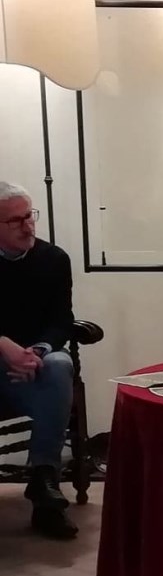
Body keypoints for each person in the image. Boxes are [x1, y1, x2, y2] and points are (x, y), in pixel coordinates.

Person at [0, 182, 78, 539]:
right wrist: (5, 346)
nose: (28, 226)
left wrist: (39, 351)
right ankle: (45, 490)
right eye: (15, 221)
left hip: (38, 366)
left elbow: (62, 319)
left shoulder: (53, 259)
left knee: (60, 365)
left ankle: (44, 482)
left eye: (29, 216)